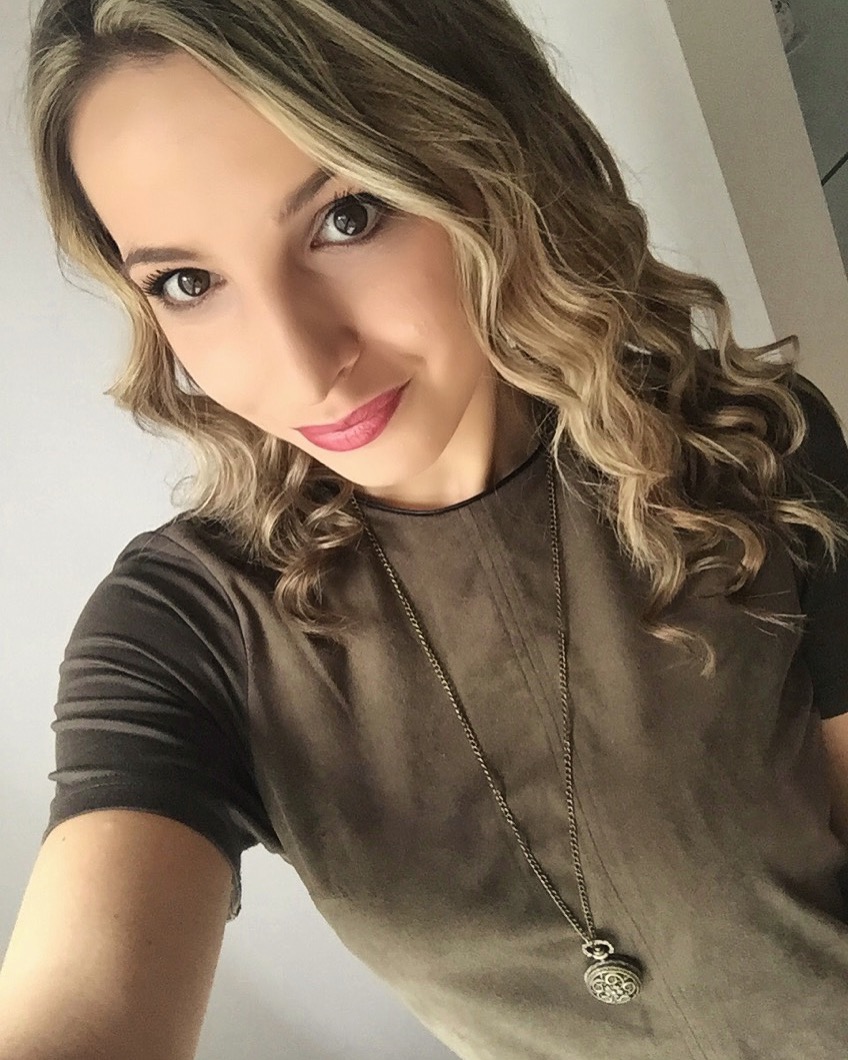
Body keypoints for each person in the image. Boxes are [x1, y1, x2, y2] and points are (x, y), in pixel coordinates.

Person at [2, 1, 848, 1057]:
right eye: (188, 282)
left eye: (348, 217)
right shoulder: (187, 629)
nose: (302, 364)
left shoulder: (742, 446)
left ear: (495, 169)